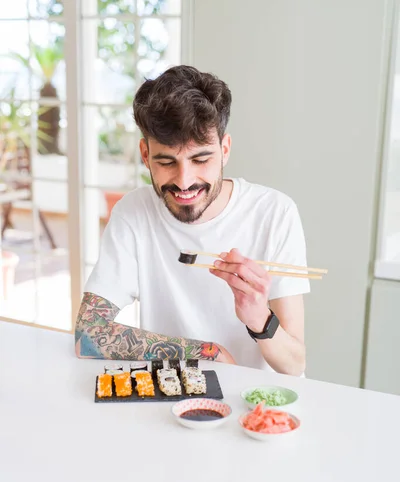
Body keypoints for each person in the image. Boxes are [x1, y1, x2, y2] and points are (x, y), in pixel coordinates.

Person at [75, 65, 309, 375]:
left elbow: (295, 365)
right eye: (166, 161)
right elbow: (88, 335)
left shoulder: (275, 213)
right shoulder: (133, 212)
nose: (184, 182)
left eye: (200, 159)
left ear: (224, 150)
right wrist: (207, 352)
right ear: (145, 155)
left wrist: (259, 319)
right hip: (171, 396)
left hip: (252, 405)